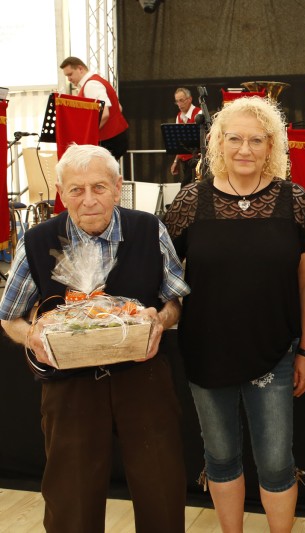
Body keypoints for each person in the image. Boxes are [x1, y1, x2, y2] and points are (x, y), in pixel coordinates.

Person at [0, 143, 189, 533]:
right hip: (69, 388)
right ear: (61, 192)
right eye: (76, 189)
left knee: (162, 490)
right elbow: (9, 318)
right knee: (71, 500)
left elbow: (174, 301)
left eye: (99, 187)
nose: (88, 200)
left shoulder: (149, 229)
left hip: (143, 379)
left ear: (118, 188)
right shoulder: (37, 241)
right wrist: (33, 336)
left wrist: (159, 319)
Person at [163, 96, 305, 533]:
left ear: (272, 145)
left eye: (257, 139)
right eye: (234, 138)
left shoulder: (295, 201)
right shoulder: (188, 202)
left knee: (275, 461)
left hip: (275, 352)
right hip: (206, 352)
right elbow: (166, 278)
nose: (245, 149)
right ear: (217, 142)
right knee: (219, 456)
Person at [59, 57, 129, 160]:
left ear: (80, 68)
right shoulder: (97, 81)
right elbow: (119, 107)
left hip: (108, 141)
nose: (69, 79)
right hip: (116, 138)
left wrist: (87, 135)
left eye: (70, 74)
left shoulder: (91, 85)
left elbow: (105, 113)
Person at [170, 87, 202, 186]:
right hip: (184, 160)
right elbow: (179, 141)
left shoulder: (199, 113)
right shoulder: (178, 116)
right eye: (177, 101)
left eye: (181, 100)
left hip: (196, 158)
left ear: (190, 99)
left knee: (186, 186)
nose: (179, 104)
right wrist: (176, 161)